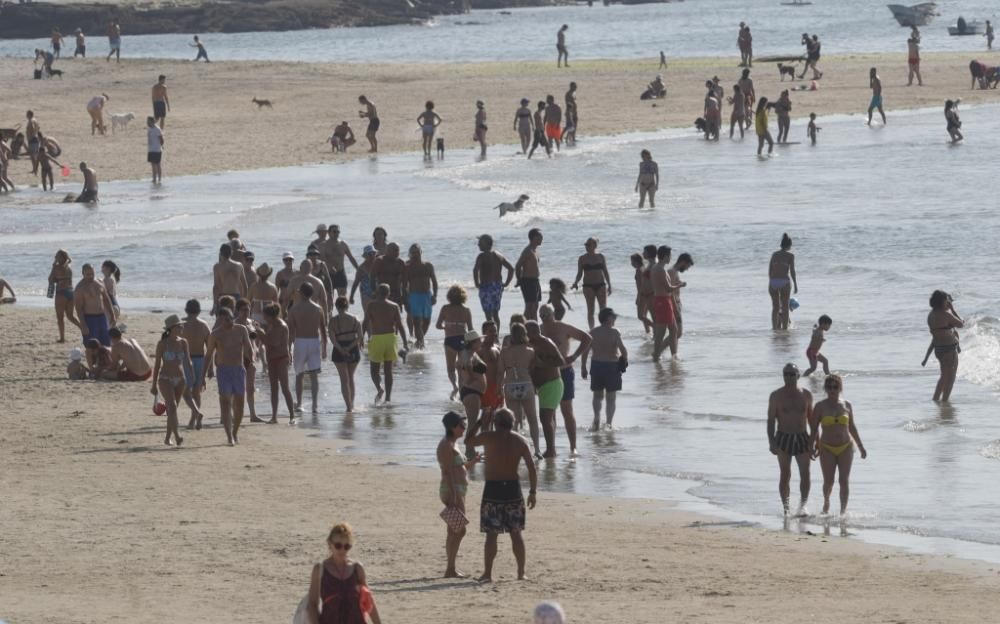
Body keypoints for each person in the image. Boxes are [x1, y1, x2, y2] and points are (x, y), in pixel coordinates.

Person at [464, 407, 537, 582]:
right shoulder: (520, 440)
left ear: (496, 423)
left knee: (491, 534)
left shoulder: (488, 436)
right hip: (513, 488)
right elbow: (532, 468)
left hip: (493, 489)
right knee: (516, 533)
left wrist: (480, 423)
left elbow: (468, 441)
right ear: (513, 423)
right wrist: (533, 492)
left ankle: (488, 574)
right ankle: (521, 573)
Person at [305, 523, 383, 624]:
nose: (342, 550)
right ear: (329, 544)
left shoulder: (357, 568)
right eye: (338, 545)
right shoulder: (320, 569)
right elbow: (312, 604)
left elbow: (369, 601)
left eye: (347, 546)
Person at [811, 375, 867, 516]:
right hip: (827, 447)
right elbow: (813, 429)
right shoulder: (820, 406)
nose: (832, 390)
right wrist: (811, 446)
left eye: (835, 387)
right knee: (829, 481)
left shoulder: (847, 405)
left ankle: (842, 512)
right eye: (829, 387)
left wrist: (861, 447)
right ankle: (826, 502)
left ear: (840, 388)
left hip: (846, 447)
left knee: (844, 480)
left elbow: (852, 427)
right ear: (825, 389)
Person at [539, 304, 590, 456]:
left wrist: (574, 356)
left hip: (564, 371)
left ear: (553, 314)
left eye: (547, 315)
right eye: (542, 315)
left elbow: (587, 338)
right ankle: (551, 448)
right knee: (550, 412)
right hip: (546, 375)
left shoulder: (563, 327)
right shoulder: (539, 330)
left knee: (567, 410)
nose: (545, 318)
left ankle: (573, 447)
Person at [200, 307, 253, 445]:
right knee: (225, 403)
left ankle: (235, 432)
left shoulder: (241, 329)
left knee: (239, 406)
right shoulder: (215, 334)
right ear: (219, 321)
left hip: (238, 370)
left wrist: (251, 359)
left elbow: (248, 347)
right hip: (223, 371)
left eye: (229, 319)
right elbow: (208, 356)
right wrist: (203, 377)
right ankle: (229, 436)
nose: (228, 322)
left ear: (233, 317)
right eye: (224, 320)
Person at [767, 363, 814, 516]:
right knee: (785, 474)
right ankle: (786, 508)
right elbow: (770, 420)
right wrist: (771, 441)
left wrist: (815, 441)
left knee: (805, 473)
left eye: (792, 374)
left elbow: (812, 420)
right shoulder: (776, 395)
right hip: (783, 437)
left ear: (798, 375)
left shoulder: (806, 395)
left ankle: (802, 506)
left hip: (802, 437)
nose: (788, 377)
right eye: (786, 374)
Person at [438, 411, 481, 578]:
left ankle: (450, 568)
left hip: (458, 490)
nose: (464, 429)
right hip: (452, 491)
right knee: (460, 530)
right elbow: (448, 472)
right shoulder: (446, 445)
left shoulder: (454, 444)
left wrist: (474, 462)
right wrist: (454, 496)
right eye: (461, 426)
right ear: (452, 427)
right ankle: (450, 568)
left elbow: (461, 468)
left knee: (453, 530)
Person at [151, 315, 199, 446]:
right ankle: (177, 436)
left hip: (181, 379)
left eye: (182, 325)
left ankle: (167, 438)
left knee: (173, 410)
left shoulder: (183, 342)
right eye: (179, 326)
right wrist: (153, 384)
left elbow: (188, 361)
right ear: (171, 329)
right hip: (165, 378)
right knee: (171, 405)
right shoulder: (162, 344)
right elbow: (156, 365)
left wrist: (193, 376)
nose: (182, 327)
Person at [581, 308, 627, 430]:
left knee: (597, 396)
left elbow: (585, 351)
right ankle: (608, 423)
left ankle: (596, 417)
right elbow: (623, 349)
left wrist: (583, 367)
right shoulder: (615, 332)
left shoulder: (593, 332)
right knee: (611, 397)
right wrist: (625, 361)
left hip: (597, 365)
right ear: (608, 318)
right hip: (612, 366)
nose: (615, 319)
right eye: (613, 317)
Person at [364, 283, 409, 404]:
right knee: (388, 371)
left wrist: (360, 338)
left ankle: (380, 388)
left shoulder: (371, 305)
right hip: (390, 339)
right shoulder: (394, 306)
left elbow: (365, 323)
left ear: (377, 293)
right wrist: (405, 342)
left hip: (377, 338)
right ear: (389, 294)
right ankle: (388, 398)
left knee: (374, 370)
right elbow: (400, 326)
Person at [526, 321, 566, 459]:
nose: (527, 335)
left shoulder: (546, 342)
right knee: (548, 418)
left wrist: (543, 364)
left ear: (536, 331)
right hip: (542, 386)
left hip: (552, 384)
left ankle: (551, 450)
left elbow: (561, 361)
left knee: (545, 418)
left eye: (529, 332)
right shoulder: (530, 344)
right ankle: (551, 449)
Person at [288, 282, 327, 415]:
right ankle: (314, 405)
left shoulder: (294, 309)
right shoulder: (318, 308)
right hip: (314, 342)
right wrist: (325, 347)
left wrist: (289, 348)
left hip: (300, 341)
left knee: (299, 375)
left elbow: (291, 331)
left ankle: (299, 404)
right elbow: (323, 329)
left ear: (301, 293)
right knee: (314, 375)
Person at [255, 303, 295, 423]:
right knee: (273, 388)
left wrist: (260, 332)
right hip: (271, 359)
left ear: (271, 316)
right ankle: (274, 417)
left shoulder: (281, 326)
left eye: (265, 316)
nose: (264, 319)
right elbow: (267, 341)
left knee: (285, 388)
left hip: (281, 359)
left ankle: (292, 416)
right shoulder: (271, 325)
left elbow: (273, 343)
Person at [923, 290, 963, 402]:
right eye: (947, 300)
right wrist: (953, 310)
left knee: (943, 377)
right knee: (950, 378)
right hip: (949, 350)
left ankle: (936, 400)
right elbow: (961, 324)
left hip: (939, 350)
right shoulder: (946, 314)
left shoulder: (931, 315)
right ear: (942, 301)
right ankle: (944, 402)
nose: (948, 302)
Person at [435, 285, 474, 400]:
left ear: (449, 296)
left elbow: (437, 325)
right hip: (463, 339)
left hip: (450, 339)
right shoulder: (466, 310)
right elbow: (471, 329)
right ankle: (462, 391)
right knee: (462, 368)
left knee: (450, 368)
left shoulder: (445, 308)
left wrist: (445, 327)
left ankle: (455, 386)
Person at [181, 299, 211, 429]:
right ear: (199, 311)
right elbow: (210, 349)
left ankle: (195, 416)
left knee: (185, 391)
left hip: (186, 360)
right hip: (200, 359)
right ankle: (194, 420)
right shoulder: (204, 325)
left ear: (186, 310)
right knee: (196, 392)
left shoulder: (181, 325)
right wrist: (210, 368)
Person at [473, 234, 514, 327]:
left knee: (488, 314)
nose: (478, 245)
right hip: (497, 286)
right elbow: (511, 269)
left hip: (486, 287)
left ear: (487, 244)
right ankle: (496, 335)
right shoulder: (498, 255)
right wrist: (506, 283)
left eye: (480, 243)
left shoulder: (482, 256)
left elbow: (475, 270)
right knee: (495, 313)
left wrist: (476, 283)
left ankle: (491, 335)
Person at [329, 296, 362, 412]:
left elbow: (332, 339)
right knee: (351, 377)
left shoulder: (333, 320)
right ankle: (351, 405)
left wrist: (341, 349)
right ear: (347, 306)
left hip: (339, 348)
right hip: (353, 348)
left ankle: (348, 406)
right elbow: (360, 337)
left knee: (344, 379)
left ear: (336, 307)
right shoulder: (355, 319)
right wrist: (349, 347)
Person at [456, 332, 487, 455]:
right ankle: (469, 450)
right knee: (472, 422)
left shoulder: (471, 353)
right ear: (473, 342)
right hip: (471, 392)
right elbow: (465, 366)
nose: (481, 342)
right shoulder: (467, 354)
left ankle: (470, 448)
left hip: (473, 392)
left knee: (473, 421)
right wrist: (471, 378)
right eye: (479, 340)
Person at [403, 243, 438, 350]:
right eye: (413, 253)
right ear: (410, 254)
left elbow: (435, 282)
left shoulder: (428, 266)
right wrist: (405, 301)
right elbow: (404, 286)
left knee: (427, 321)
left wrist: (435, 296)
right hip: (414, 296)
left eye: (417, 252)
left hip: (427, 296)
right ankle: (421, 343)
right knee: (417, 322)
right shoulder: (407, 268)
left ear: (421, 252)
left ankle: (419, 340)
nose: (415, 255)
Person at [571, 238, 611, 329]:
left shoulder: (601, 256)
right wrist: (576, 283)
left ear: (595, 245)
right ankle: (592, 331)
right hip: (588, 286)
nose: (587, 247)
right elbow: (579, 273)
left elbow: (605, 272)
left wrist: (609, 285)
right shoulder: (582, 258)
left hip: (601, 285)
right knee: (590, 310)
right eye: (586, 245)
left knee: (603, 309)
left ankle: (605, 329)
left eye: (589, 245)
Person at [650, 246, 681, 361]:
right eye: (670, 255)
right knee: (661, 333)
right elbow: (668, 288)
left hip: (663, 300)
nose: (671, 258)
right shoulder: (660, 269)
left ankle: (674, 355)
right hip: (662, 301)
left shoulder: (658, 267)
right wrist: (680, 285)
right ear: (666, 256)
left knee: (674, 329)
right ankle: (656, 356)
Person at [74, 263, 117, 346]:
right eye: (88, 274)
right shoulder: (80, 288)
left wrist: (112, 315)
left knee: (106, 343)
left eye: (92, 273)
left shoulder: (100, 282)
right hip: (89, 319)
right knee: (92, 346)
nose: (90, 276)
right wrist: (83, 325)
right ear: (83, 274)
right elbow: (79, 308)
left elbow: (106, 299)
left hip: (102, 317)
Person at [768, 233, 797, 330]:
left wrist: (771, 282)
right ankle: (785, 329)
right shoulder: (790, 256)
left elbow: (770, 270)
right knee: (785, 308)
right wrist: (796, 285)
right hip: (784, 282)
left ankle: (774, 329)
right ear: (789, 245)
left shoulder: (774, 254)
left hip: (773, 282)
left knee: (775, 308)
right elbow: (792, 271)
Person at [667, 253, 693, 355]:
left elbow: (673, 286)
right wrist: (675, 308)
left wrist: (680, 284)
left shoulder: (674, 272)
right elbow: (670, 292)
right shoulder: (672, 272)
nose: (687, 269)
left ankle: (674, 355)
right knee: (677, 333)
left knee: (676, 333)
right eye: (687, 266)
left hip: (676, 304)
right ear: (683, 262)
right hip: (673, 304)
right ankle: (659, 351)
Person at [515, 228, 543, 320]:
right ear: (534, 237)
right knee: (530, 307)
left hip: (535, 281)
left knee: (535, 306)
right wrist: (519, 279)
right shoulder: (528, 251)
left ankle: (529, 326)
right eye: (539, 236)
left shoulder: (535, 251)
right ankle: (526, 326)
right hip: (528, 281)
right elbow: (518, 265)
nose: (542, 238)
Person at [212, 243, 248, 312]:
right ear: (231, 253)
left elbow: (216, 287)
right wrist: (244, 301)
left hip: (223, 298)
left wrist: (215, 304)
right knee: (235, 320)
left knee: (222, 320)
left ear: (221, 253)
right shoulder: (239, 265)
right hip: (236, 296)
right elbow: (245, 286)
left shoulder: (217, 267)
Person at [349, 246, 377, 312]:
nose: (372, 256)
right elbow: (356, 283)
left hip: (378, 293)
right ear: (365, 256)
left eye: (373, 253)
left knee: (378, 315)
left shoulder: (378, 264)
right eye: (369, 254)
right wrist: (351, 296)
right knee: (368, 314)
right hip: (366, 293)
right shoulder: (361, 268)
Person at [146, 116, 164, 183]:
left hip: (156, 150)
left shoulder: (157, 129)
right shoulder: (149, 129)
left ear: (152, 122)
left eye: (148, 122)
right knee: (153, 165)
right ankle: (154, 179)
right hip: (151, 149)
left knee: (157, 164)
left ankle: (158, 179)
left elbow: (161, 139)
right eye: (147, 122)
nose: (147, 123)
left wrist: (161, 146)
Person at [25, 110, 41, 176]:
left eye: (27, 114)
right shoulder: (35, 120)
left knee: (33, 156)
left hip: (32, 140)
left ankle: (35, 170)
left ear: (29, 114)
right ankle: (34, 169)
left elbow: (33, 127)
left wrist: (32, 136)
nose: (26, 115)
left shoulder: (31, 120)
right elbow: (38, 127)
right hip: (35, 139)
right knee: (34, 155)